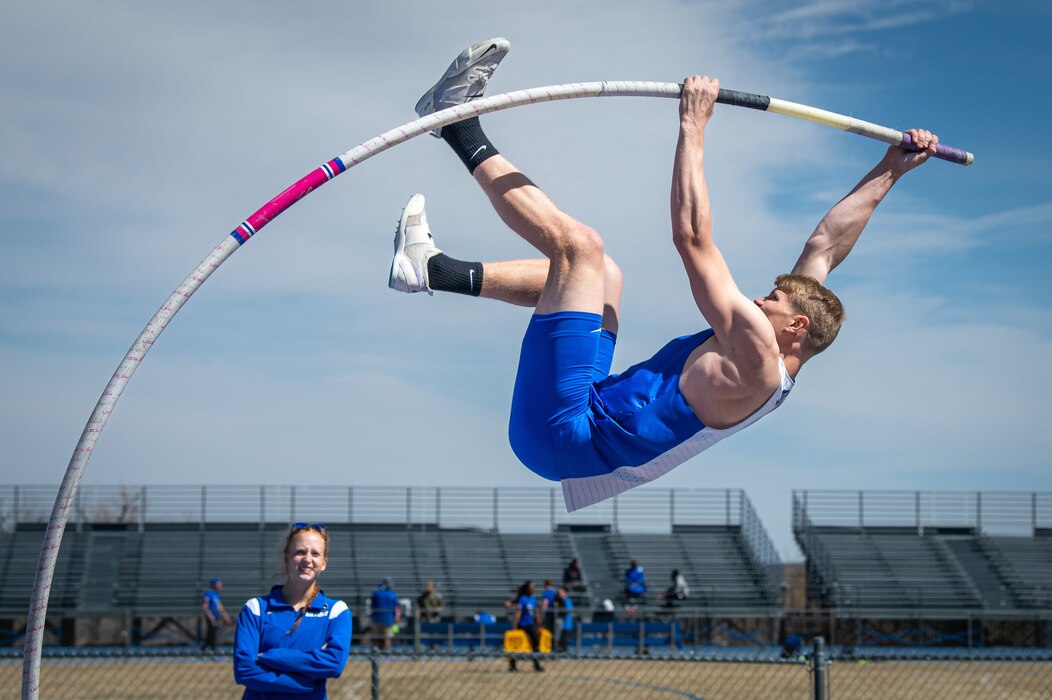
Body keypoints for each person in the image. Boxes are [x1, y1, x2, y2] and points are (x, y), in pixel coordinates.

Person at [388, 40, 941, 512]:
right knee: (602, 276)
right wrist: (891, 168)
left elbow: (692, 239)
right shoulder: (780, 342)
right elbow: (826, 244)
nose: (756, 299)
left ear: (795, 328)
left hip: (565, 436)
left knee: (580, 249)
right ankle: (434, 270)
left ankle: (458, 123)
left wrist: (692, 125)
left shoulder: (754, 360)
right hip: (583, 415)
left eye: (770, 300)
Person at [234, 523, 351, 699]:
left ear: (324, 562)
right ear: (286, 558)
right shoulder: (255, 609)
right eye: (300, 552)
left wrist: (272, 656)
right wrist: (309, 683)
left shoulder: (336, 612)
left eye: (315, 554)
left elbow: (334, 664)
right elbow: (245, 671)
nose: (307, 559)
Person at [508, 580, 544, 672]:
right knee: (516, 644)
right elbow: (518, 613)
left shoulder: (533, 599)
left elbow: (535, 613)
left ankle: (536, 664)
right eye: (532, 587)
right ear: (527, 589)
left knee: (536, 642)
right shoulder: (522, 599)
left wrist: (539, 624)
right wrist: (515, 626)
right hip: (522, 625)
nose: (533, 589)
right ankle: (512, 666)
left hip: (530, 624)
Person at [201, 577, 231, 655]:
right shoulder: (208, 594)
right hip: (212, 617)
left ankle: (204, 649)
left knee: (212, 634)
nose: (220, 585)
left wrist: (225, 616)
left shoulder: (216, 595)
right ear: (214, 585)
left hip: (216, 617)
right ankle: (212, 651)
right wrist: (210, 616)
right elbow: (205, 606)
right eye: (219, 584)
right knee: (212, 634)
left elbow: (219, 607)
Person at [370, 577, 401, 651]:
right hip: (388, 619)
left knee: (376, 638)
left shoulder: (376, 594)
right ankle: (387, 654)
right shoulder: (392, 594)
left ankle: (375, 654)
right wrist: (396, 619)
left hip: (376, 619)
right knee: (387, 638)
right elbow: (396, 608)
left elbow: (372, 606)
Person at [554, 585, 574, 653]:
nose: (559, 594)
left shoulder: (567, 601)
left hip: (565, 623)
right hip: (560, 624)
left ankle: (564, 652)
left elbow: (568, 611)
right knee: (559, 639)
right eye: (558, 593)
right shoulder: (558, 601)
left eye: (560, 592)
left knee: (564, 639)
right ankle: (559, 651)